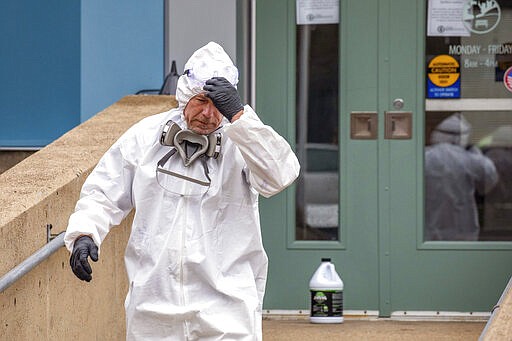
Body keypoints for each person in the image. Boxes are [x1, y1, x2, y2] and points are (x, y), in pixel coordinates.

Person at [64, 42, 300, 340]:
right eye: (201, 100)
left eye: (219, 105)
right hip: (154, 305)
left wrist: (240, 117)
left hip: (225, 310)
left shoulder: (241, 144)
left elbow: (280, 175)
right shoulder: (145, 136)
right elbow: (103, 192)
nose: (208, 113)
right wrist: (84, 233)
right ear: (185, 95)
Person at [424, 113, 498, 241]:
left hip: (426, 232)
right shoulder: (470, 159)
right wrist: (477, 155)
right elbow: (489, 180)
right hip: (462, 230)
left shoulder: (424, 156)